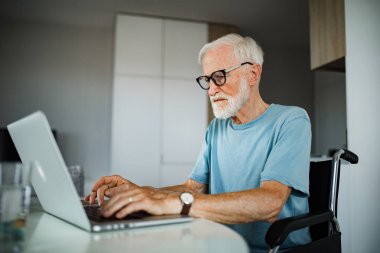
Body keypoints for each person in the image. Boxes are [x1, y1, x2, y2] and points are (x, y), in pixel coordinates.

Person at [85, 34, 311, 252]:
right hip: (219, 243)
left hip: (276, 249)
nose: (212, 90)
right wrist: (140, 192)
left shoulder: (291, 120)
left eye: (220, 76)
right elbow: (191, 189)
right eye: (207, 79)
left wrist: (177, 204)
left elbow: (270, 202)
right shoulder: (216, 128)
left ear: (253, 73)